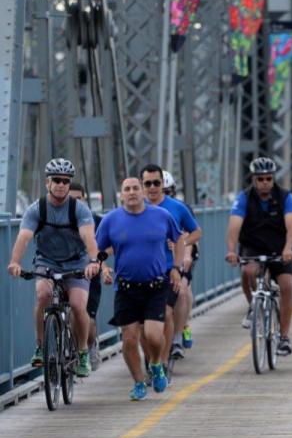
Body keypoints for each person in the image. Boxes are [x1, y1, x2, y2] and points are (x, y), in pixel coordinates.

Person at [7, 159, 101, 377]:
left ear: (69, 184)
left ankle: (83, 352)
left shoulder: (79, 209)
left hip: (77, 262)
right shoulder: (36, 209)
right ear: (47, 182)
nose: (61, 184)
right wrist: (15, 262)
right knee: (43, 295)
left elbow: (89, 238)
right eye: (56, 180)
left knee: (78, 305)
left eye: (65, 181)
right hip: (47, 261)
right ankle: (40, 346)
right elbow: (24, 237)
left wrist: (94, 261)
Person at [96, 177, 185, 400]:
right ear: (121, 194)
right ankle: (138, 383)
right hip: (125, 288)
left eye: (136, 188)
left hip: (156, 285)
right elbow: (98, 249)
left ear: (142, 192)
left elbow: (180, 239)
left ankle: (155, 364)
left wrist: (176, 267)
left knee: (154, 336)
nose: (132, 192)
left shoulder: (161, 216)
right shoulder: (111, 220)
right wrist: (102, 267)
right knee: (129, 339)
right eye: (127, 189)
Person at [225, 157, 292, 357]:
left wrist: (288, 248)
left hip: (281, 248)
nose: (264, 182)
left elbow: (291, 225)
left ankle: (284, 337)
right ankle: (253, 306)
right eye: (260, 179)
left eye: (268, 178)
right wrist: (231, 250)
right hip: (253, 246)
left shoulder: (285, 197)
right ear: (254, 180)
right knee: (247, 271)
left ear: (273, 178)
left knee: (287, 286)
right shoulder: (244, 198)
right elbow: (234, 226)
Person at [141, 164, 202, 369]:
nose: (153, 187)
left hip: (168, 270)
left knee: (167, 312)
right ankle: (151, 359)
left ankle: (164, 360)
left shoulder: (177, 208)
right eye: (147, 183)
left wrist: (181, 243)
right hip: (140, 272)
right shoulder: (134, 206)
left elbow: (196, 233)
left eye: (157, 183)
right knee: (142, 324)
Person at [68, 182, 104, 371]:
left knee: (87, 319)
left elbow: (104, 246)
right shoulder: (58, 219)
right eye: (70, 199)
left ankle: (90, 345)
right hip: (64, 272)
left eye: (78, 199)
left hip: (89, 276)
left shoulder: (95, 221)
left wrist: (101, 265)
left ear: (84, 199)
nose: (74, 203)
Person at [163, 171, 196, 351]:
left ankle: (178, 334)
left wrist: (186, 255)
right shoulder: (145, 208)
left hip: (180, 255)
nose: (162, 194)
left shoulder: (180, 208)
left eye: (167, 191)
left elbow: (190, 234)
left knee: (182, 291)